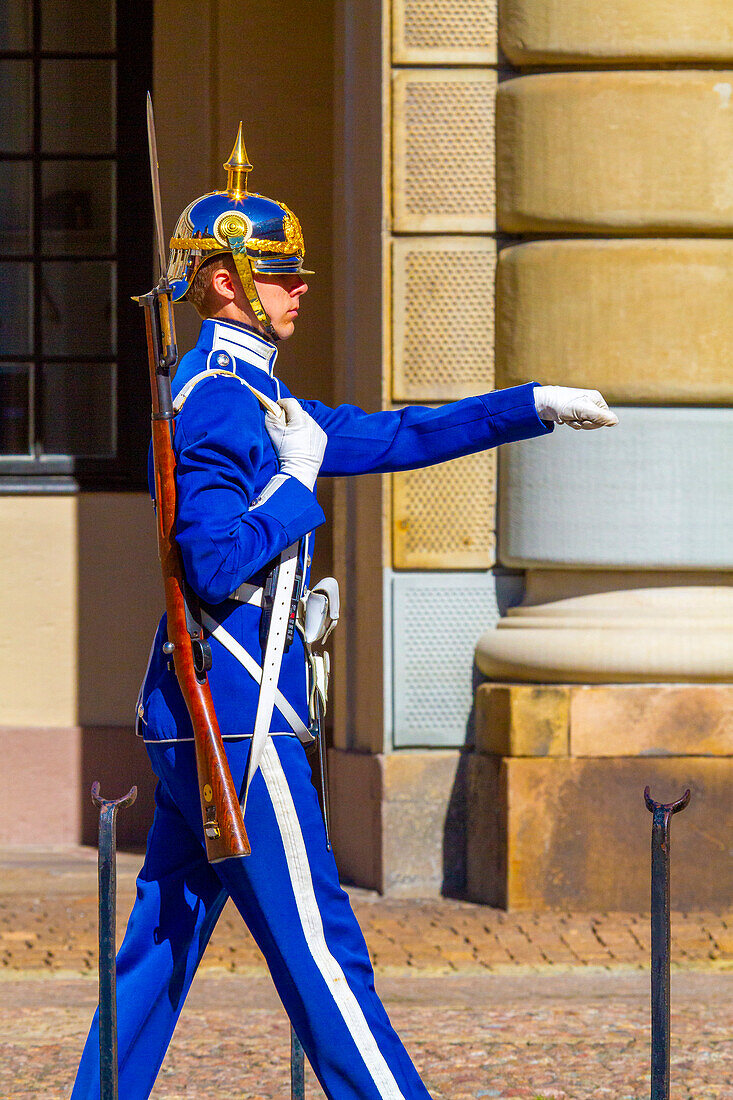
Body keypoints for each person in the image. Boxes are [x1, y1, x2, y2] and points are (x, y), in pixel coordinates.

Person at [71, 126, 618, 1100]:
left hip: (203, 709)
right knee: (324, 955)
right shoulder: (214, 400)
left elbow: (402, 432)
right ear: (225, 282)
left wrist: (531, 404)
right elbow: (210, 560)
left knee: (158, 944)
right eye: (281, 274)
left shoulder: (254, 395)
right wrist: (292, 483)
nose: (301, 287)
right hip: (234, 712)